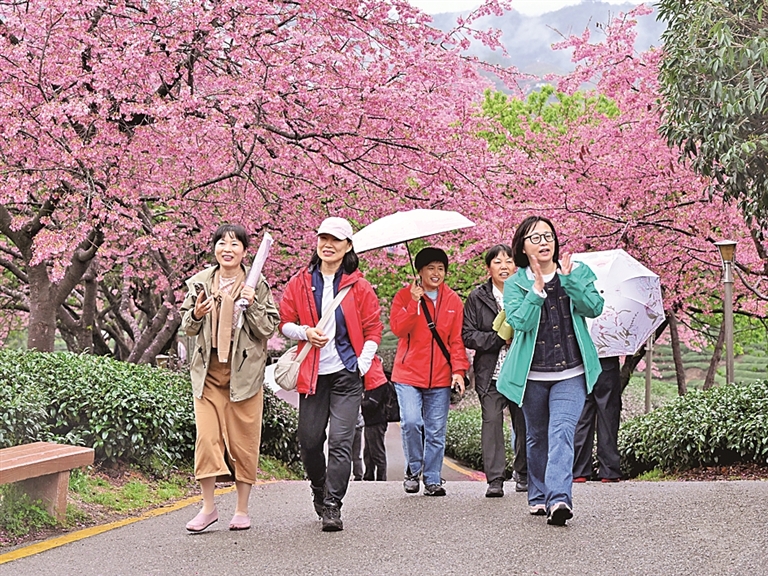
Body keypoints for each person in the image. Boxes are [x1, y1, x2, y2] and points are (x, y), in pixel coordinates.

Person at [279, 216, 387, 532]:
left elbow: (373, 329)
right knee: (310, 440)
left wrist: (361, 364)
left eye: (335, 240)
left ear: (348, 246)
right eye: (323, 238)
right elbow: (284, 322)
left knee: (341, 440)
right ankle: (318, 486)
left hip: (346, 374)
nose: (328, 245)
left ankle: (332, 505)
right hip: (313, 374)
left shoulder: (359, 286)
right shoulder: (300, 282)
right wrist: (305, 332)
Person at [497, 216, 604, 526]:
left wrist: (570, 282)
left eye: (548, 236)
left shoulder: (576, 272)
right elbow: (520, 322)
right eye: (535, 237)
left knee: (561, 433)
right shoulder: (516, 283)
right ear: (522, 247)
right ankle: (538, 494)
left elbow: (594, 307)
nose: (543, 242)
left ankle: (559, 499)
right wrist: (536, 291)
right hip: (532, 376)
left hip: (571, 373)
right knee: (536, 438)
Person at [180, 223, 280, 532]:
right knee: (206, 438)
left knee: (243, 441)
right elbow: (187, 326)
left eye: (235, 244)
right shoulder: (200, 283)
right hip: (208, 373)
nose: (227, 249)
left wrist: (253, 305)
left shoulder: (256, 283)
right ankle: (208, 508)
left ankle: (242, 509)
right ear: (214, 248)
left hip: (244, 374)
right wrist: (197, 314)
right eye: (222, 243)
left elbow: (268, 328)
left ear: (245, 251)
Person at [390, 247, 469, 497]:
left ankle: (433, 478)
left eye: (441, 268)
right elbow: (399, 329)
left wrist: (458, 370)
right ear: (420, 271)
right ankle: (413, 470)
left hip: (440, 376)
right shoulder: (404, 297)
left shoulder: (453, 301)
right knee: (411, 422)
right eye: (431, 268)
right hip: (408, 374)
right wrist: (413, 303)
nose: (436, 273)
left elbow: (456, 341)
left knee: (436, 430)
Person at [462, 244, 528, 498]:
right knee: (491, 423)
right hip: (491, 373)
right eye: (498, 262)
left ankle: (523, 473)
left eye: (508, 261)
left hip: (521, 371)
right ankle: (495, 479)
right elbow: (468, 335)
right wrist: (498, 339)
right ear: (488, 267)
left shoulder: (526, 292)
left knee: (524, 424)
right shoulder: (477, 297)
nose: (504, 267)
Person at [573, 356, 623, 482]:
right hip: (607, 359)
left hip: (582, 360)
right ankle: (609, 470)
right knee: (608, 416)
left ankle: (579, 470)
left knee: (583, 415)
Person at [361, 378, 392, 481]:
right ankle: (368, 476)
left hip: (377, 421)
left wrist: (359, 403)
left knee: (377, 452)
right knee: (368, 452)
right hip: (370, 421)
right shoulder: (372, 383)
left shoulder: (380, 384)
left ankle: (381, 479)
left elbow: (372, 404)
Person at [352, 411, 365, 481]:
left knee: (343, 452)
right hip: (358, 426)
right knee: (356, 453)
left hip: (348, 427)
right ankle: (358, 474)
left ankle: (343, 474)